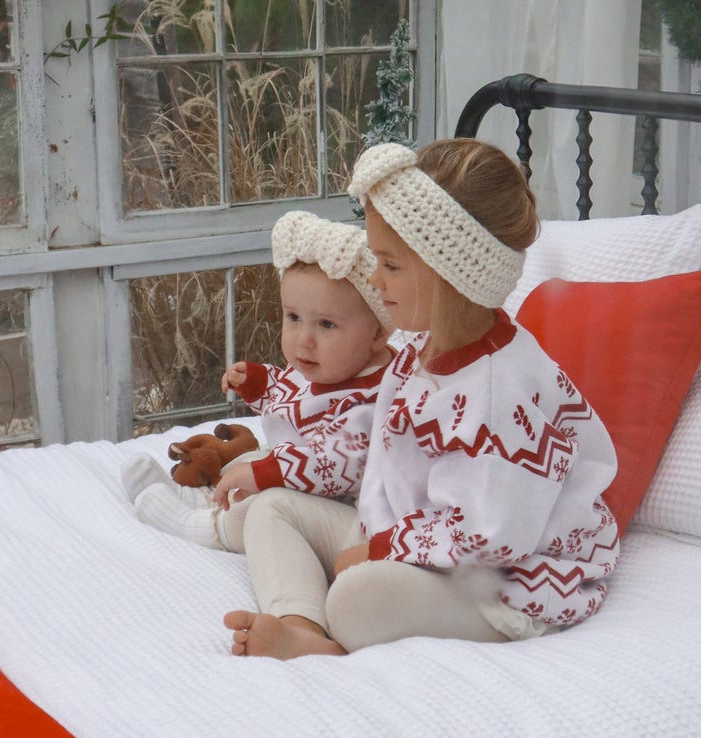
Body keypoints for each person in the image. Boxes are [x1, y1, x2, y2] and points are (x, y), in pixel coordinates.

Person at [225, 138, 619, 660]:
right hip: (411, 540)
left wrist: (381, 550)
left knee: (356, 600)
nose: (372, 278)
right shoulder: (419, 348)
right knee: (270, 508)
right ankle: (300, 624)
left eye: (390, 265)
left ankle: (335, 621)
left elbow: (494, 534)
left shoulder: (501, 393)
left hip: (499, 580)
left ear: (447, 273)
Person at [122, 211, 392, 548]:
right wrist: (259, 383)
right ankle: (205, 496)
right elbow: (293, 397)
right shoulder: (331, 365)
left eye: (325, 324)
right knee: (250, 462)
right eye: (293, 317)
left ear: (378, 333)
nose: (303, 339)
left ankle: (199, 526)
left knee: (262, 504)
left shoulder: (373, 398)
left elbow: (338, 464)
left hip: (335, 502)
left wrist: (264, 474)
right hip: (296, 469)